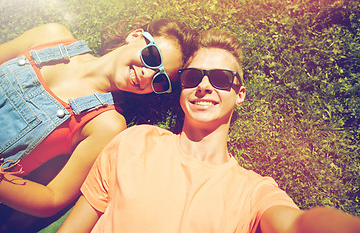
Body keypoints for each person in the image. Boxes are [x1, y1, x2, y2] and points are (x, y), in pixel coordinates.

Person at [58, 28, 360, 233]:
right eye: (192, 77)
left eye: (220, 78)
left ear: (239, 94)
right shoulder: (134, 141)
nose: (204, 86)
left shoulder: (253, 191)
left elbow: (297, 225)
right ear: (182, 90)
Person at [0, 17, 196, 232]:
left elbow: (52, 198)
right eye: (152, 57)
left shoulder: (106, 124)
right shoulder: (51, 36)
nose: (147, 74)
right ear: (136, 36)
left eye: (160, 79)